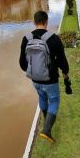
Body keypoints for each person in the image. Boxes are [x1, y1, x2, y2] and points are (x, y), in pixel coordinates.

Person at [19, 11, 71, 143]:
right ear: (46, 22)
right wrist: (65, 73)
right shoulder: (54, 39)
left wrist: (33, 70)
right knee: (54, 101)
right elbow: (62, 61)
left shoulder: (26, 38)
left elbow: (22, 63)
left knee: (42, 97)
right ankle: (46, 130)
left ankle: (47, 118)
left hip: (35, 79)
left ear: (34, 22)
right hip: (51, 79)